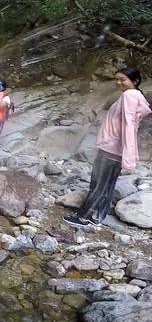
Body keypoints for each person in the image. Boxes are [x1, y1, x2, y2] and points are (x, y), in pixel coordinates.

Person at [64, 67, 151, 228]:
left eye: (123, 79)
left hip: (112, 149)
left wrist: (129, 156)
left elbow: (129, 125)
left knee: (98, 184)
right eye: (116, 79)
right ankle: (99, 217)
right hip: (114, 149)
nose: (118, 82)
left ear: (135, 81)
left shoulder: (129, 96)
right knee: (107, 185)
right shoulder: (135, 96)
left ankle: (84, 217)